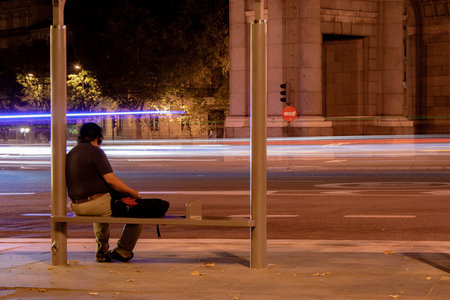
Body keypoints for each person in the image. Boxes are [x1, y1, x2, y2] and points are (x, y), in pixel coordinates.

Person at [66, 122, 142, 262]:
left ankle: (102, 251)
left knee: (103, 206)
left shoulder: (72, 152)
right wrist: (132, 192)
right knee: (136, 211)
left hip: (76, 205)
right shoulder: (95, 152)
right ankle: (123, 250)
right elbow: (110, 179)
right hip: (94, 204)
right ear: (98, 137)